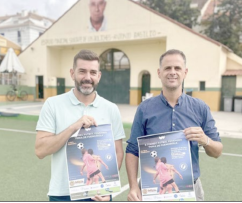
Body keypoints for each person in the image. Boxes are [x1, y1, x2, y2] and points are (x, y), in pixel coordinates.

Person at [125, 49, 223, 201]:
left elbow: (217, 151)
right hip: (152, 190)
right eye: (167, 68)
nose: (172, 72)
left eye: (177, 68)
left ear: (185, 72)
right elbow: (132, 150)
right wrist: (133, 186)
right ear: (159, 72)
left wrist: (205, 140)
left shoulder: (200, 108)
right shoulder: (145, 108)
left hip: (191, 188)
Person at [35, 49, 125, 202]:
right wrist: (73, 127)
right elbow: (40, 150)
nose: (87, 77)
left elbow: (117, 152)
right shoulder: (52, 104)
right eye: (82, 71)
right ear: (72, 73)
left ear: (99, 76)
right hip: (62, 194)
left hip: (97, 194)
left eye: (93, 72)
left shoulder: (111, 109)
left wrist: (107, 189)